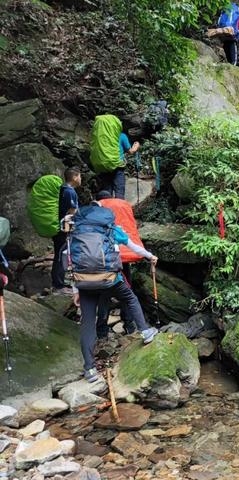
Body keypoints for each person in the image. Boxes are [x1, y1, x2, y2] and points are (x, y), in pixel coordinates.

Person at [67, 199, 159, 383]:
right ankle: (145, 331)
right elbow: (132, 246)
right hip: (110, 279)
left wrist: (75, 289)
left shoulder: (75, 231)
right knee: (130, 298)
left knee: (87, 321)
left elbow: (69, 259)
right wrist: (150, 256)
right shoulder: (110, 228)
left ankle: (90, 369)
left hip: (85, 282)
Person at [94, 191, 146, 338]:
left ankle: (102, 331)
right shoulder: (123, 205)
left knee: (103, 295)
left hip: (106, 260)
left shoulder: (98, 208)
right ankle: (129, 325)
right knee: (127, 291)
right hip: (125, 255)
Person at [91, 114, 140, 200]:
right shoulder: (121, 136)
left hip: (103, 167)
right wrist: (136, 146)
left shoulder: (99, 138)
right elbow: (130, 151)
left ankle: (107, 211)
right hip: (117, 167)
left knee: (106, 192)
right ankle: (119, 211)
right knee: (119, 191)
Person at [52, 167, 81, 295]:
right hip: (64, 228)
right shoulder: (69, 191)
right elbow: (71, 211)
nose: (81, 179)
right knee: (60, 255)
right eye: (80, 176)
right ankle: (58, 285)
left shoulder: (63, 189)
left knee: (62, 253)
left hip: (62, 226)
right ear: (75, 177)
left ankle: (62, 282)